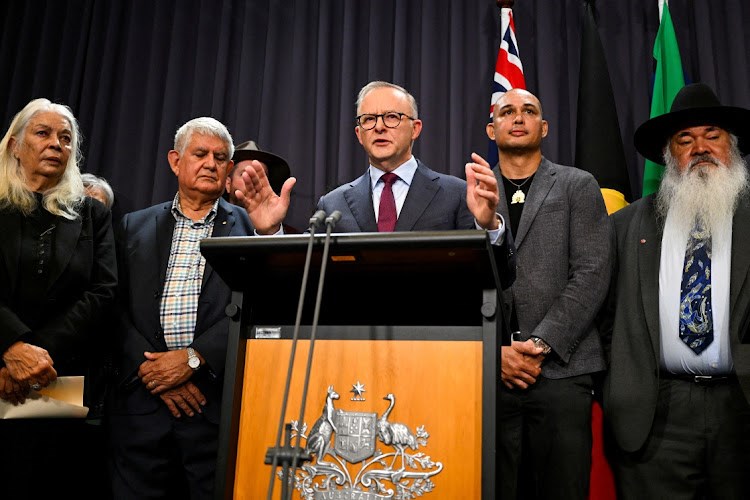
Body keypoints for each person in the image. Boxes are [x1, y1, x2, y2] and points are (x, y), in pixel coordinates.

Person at [602, 83, 750, 498]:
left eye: (712, 136)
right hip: (655, 413)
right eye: (685, 140)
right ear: (670, 155)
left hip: (742, 404)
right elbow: (605, 316)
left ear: (732, 147)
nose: (700, 147)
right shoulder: (626, 226)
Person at [235, 80, 514, 284]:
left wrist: (488, 227)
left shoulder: (456, 194)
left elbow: (499, 279)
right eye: (369, 119)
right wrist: (271, 233)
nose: (379, 126)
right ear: (359, 133)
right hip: (353, 349)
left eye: (392, 117)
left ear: (415, 128)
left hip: (435, 348)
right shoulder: (331, 205)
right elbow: (303, 283)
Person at [108, 117, 255, 499]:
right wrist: (151, 370)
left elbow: (254, 304)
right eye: (200, 153)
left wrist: (192, 360)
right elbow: (111, 305)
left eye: (221, 157)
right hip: (140, 407)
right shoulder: (132, 226)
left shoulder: (246, 227)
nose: (210, 163)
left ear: (228, 169)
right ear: (176, 161)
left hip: (210, 407)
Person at [482, 88, 611, 499]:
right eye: (507, 111)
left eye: (529, 111)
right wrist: (494, 351)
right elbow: (460, 278)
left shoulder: (578, 184)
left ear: (544, 126)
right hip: (490, 373)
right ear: (492, 128)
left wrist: (540, 343)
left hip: (561, 371)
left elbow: (592, 272)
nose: (518, 117)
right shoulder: (470, 191)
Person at [0, 98, 117, 497]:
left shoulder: (90, 215)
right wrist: (9, 348)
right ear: (16, 144)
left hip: (56, 376)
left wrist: (33, 354)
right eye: (43, 133)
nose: (56, 144)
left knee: (41, 482)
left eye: (65, 138)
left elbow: (103, 292)